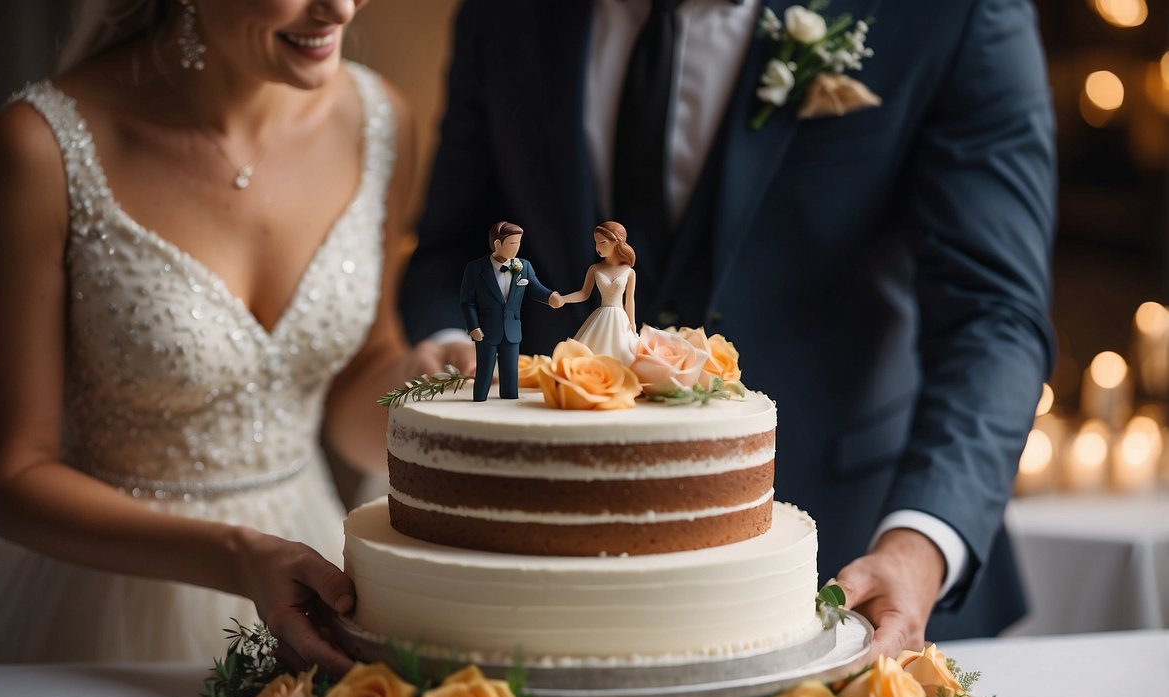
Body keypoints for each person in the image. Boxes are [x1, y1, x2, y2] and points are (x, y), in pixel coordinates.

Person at [400, 0, 1056, 656]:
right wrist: (452, 348)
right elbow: (457, 242)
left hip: (855, 560)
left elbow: (992, 312)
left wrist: (918, 546)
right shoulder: (501, 14)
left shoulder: (955, 12)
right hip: (558, 585)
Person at [0, 0, 426, 676]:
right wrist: (237, 557)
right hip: (96, 599)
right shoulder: (40, 145)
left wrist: (418, 383)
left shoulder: (380, 123)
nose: (341, 8)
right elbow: (11, 476)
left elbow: (358, 384)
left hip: (313, 566)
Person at [460, 221, 564, 401]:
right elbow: (466, 302)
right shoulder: (476, 268)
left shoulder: (524, 266)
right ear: (497, 244)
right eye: (512, 244)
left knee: (510, 371)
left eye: (519, 243)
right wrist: (473, 327)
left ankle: (508, 400)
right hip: (485, 330)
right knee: (484, 369)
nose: (517, 248)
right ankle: (478, 401)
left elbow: (536, 288)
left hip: (512, 328)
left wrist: (550, 297)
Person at [560, 221, 639, 366]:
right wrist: (563, 299)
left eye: (602, 242)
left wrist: (632, 323)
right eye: (596, 243)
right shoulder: (595, 269)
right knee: (592, 349)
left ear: (616, 242)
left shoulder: (629, 272)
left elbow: (630, 300)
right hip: (601, 316)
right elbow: (584, 294)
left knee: (621, 351)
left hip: (621, 319)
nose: (598, 247)